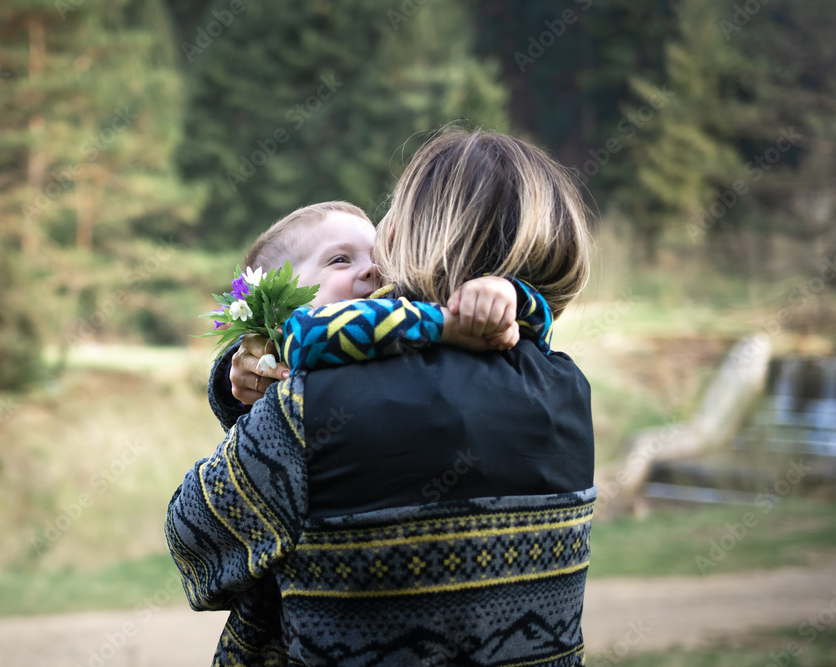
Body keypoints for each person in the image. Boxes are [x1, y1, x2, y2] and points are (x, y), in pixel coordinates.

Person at [166, 129, 595, 666]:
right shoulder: (567, 388)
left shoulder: (312, 409)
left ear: (425, 234)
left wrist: (255, 403)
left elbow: (196, 542)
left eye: (395, 212)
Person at [208, 200, 555, 422]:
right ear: (278, 303)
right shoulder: (297, 343)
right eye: (340, 260)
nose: (373, 269)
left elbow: (539, 333)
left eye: (378, 258)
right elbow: (309, 336)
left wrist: (506, 294)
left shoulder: (406, 317)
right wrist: (447, 325)